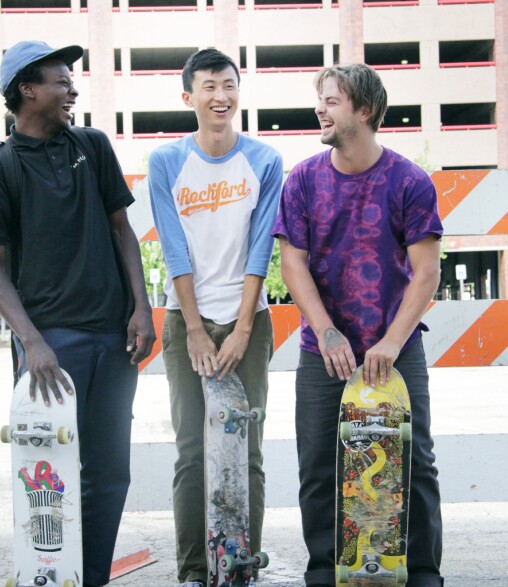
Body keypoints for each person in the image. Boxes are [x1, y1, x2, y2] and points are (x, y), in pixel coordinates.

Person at [0, 40, 156, 587]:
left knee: (109, 474)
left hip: (114, 338)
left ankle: (90, 578)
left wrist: (140, 308)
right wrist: (32, 342)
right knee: (48, 478)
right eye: (60, 80)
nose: (72, 89)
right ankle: (51, 576)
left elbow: (123, 231)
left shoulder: (93, 146)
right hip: (52, 344)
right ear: (27, 89)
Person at [272, 64, 444, 587]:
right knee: (320, 466)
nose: (319, 109)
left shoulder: (409, 181)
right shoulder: (302, 179)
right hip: (322, 349)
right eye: (320, 100)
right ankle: (325, 573)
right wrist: (326, 331)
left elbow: (427, 272)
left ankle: (422, 575)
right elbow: (292, 263)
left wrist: (392, 342)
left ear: (364, 110)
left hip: (396, 348)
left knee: (414, 464)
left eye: (331, 101)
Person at [147, 48, 284, 587]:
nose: (220, 95)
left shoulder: (265, 161)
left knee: (248, 446)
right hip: (187, 324)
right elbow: (173, 247)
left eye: (228, 85)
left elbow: (261, 249)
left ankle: (240, 568)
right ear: (189, 98)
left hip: (249, 319)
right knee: (192, 449)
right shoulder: (166, 162)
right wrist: (198, 329)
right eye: (208, 86)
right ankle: (194, 572)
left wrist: (244, 328)